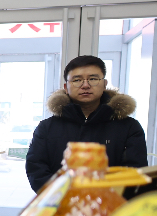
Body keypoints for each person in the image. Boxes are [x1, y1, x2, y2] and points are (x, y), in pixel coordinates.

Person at [26, 55, 149, 194]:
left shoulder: (129, 127)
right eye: (77, 80)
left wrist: (100, 200)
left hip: (112, 205)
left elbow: (135, 173)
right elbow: (36, 170)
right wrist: (67, 198)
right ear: (66, 87)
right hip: (60, 204)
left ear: (104, 84)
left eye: (93, 79)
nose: (85, 85)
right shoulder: (47, 128)